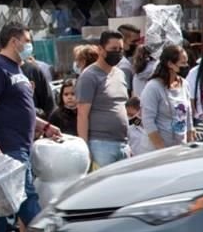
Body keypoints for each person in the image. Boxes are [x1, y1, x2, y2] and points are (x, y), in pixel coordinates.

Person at [0, 23, 61, 232]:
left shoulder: (18, 69)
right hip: (8, 146)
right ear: (14, 41)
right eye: (27, 39)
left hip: (22, 144)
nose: (29, 44)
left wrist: (44, 126)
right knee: (24, 197)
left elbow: (20, 108)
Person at [76, 31, 131, 168]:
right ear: (100, 49)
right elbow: (82, 114)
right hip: (101, 145)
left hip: (123, 144)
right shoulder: (89, 76)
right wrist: (86, 149)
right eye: (113, 49)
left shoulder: (120, 74)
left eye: (120, 49)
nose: (117, 53)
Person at [140, 44, 193, 150]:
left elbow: (188, 117)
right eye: (182, 63)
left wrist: (189, 142)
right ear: (170, 64)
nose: (186, 66)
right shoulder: (153, 87)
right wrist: (161, 148)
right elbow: (148, 121)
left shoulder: (184, 84)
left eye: (187, 62)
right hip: (158, 149)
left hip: (180, 147)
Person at [117, 23, 142, 92]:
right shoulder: (124, 66)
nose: (137, 44)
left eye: (138, 41)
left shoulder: (133, 60)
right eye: (134, 41)